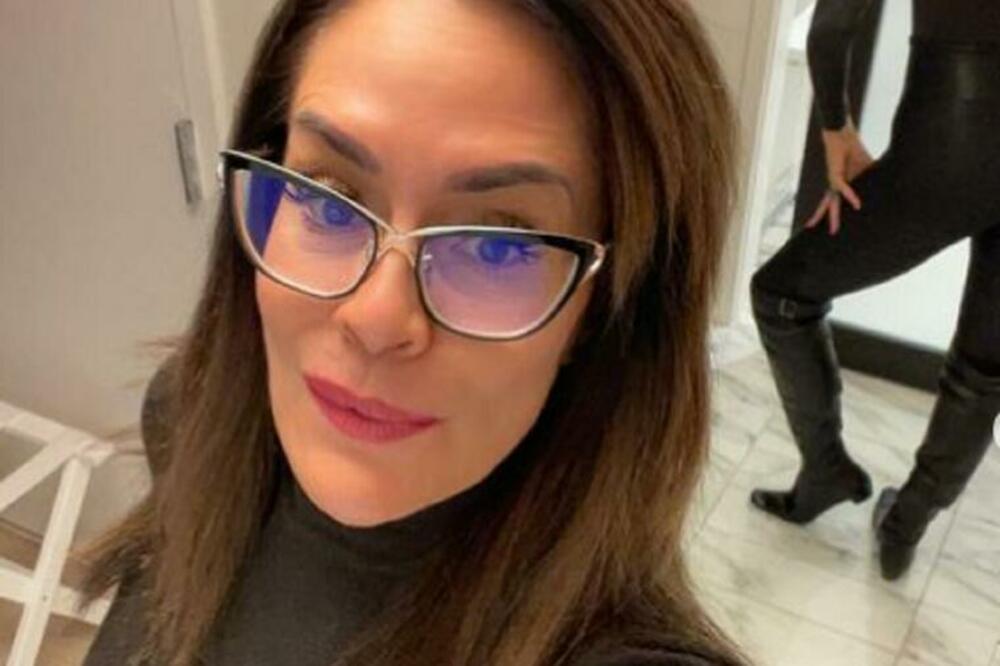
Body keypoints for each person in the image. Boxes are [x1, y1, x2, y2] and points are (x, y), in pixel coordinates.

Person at [76, 1, 749, 664]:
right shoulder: (187, 416)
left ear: (605, 308)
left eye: (497, 246)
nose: (375, 320)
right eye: (327, 198)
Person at [749, 0, 1000, 581]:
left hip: (958, 135)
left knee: (781, 294)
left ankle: (825, 469)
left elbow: (835, 24)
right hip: (959, 136)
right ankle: (905, 525)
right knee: (985, 371)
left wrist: (835, 126)